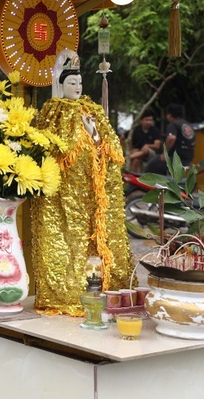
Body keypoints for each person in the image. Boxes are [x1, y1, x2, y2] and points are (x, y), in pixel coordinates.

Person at [29, 50, 134, 316]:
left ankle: (105, 290)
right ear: (60, 85)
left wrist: (94, 134)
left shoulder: (93, 111)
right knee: (68, 240)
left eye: (79, 83)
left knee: (98, 241)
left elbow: (111, 150)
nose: (77, 88)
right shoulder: (53, 112)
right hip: (66, 193)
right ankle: (68, 294)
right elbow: (54, 150)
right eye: (71, 83)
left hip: (94, 190)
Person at [147, 103, 196, 175]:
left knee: (153, 164)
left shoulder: (173, 124)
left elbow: (171, 138)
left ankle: (149, 185)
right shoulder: (186, 124)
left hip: (176, 157)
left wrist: (165, 153)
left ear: (169, 115)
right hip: (188, 157)